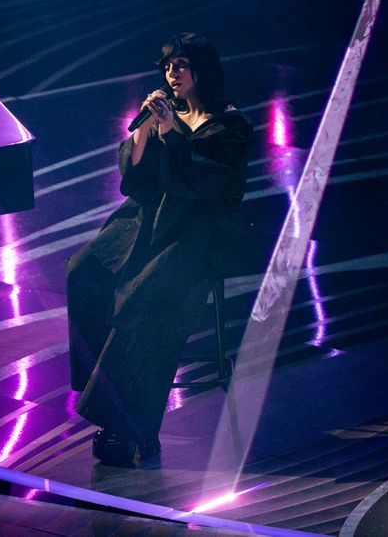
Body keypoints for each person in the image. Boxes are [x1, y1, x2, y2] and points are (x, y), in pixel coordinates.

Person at [66, 32, 252, 466]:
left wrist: (172, 134)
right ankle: (100, 381)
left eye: (182, 64)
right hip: (148, 218)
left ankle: (132, 427)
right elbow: (137, 177)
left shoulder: (231, 126)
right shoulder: (169, 115)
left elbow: (206, 184)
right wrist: (148, 131)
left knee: (143, 303)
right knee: (85, 272)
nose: (173, 73)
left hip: (195, 230)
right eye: (169, 66)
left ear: (203, 70)